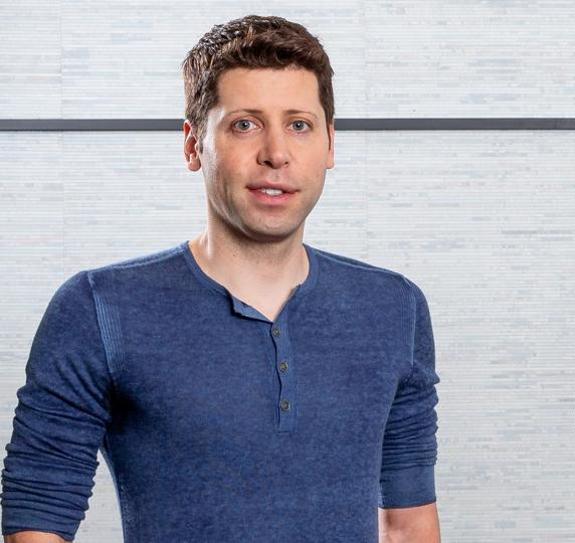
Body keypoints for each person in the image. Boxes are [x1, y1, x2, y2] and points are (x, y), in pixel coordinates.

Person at [1, 15, 440, 543]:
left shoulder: (393, 307)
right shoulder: (99, 307)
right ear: (193, 145)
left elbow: (410, 523)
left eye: (299, 125)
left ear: (329, 145)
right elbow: (38, 518)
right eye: (245, 124)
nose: (276, 153)